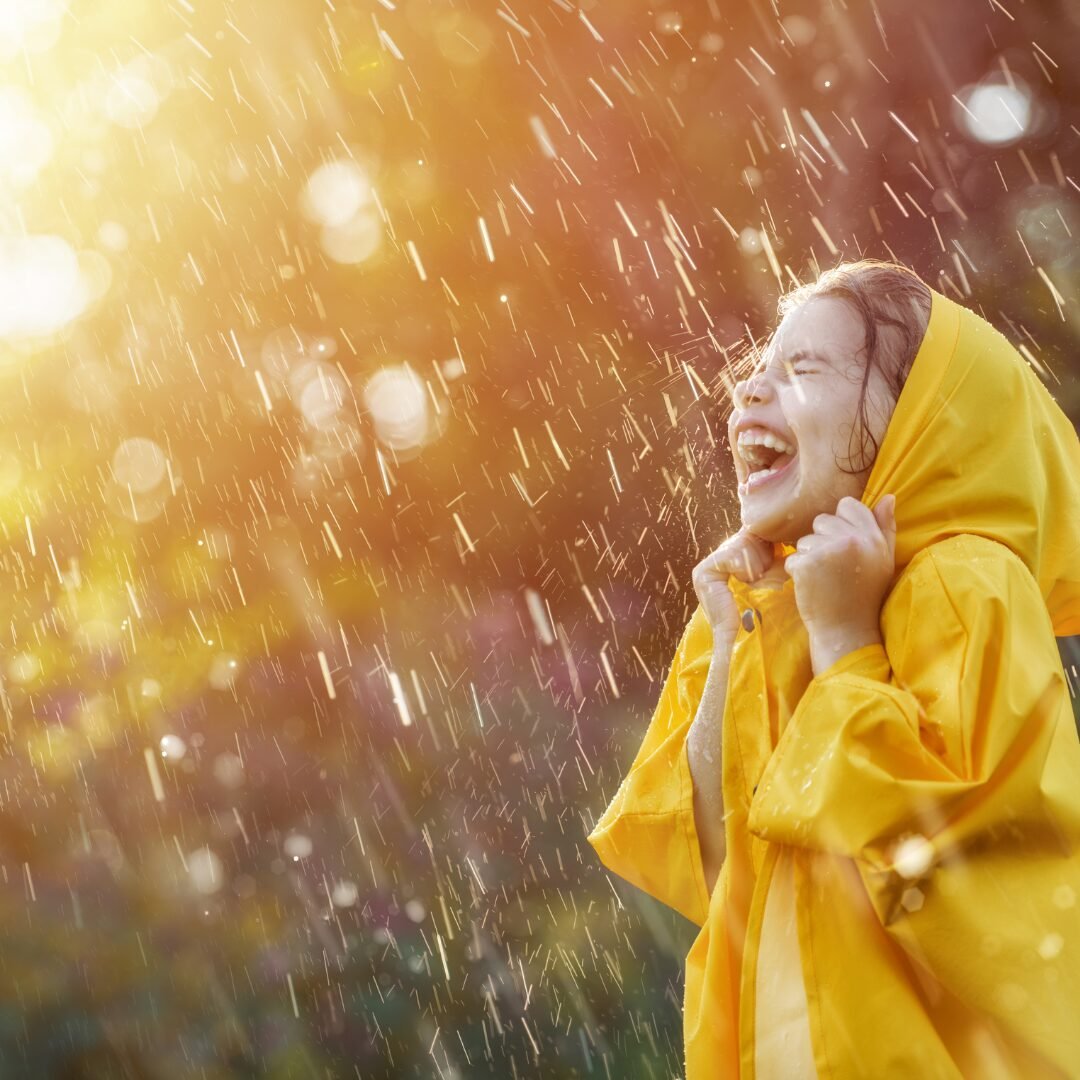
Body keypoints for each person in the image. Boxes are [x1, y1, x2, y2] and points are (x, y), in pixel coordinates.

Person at [586, 259, 1080, 1078]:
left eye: (804, 368)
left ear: (919, 423)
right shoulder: (775, 600)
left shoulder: (962, 582)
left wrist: (848, 641)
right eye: (758, 371)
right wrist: (741, 630)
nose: (746, 392)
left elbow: (954, 868)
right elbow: (716, 854)